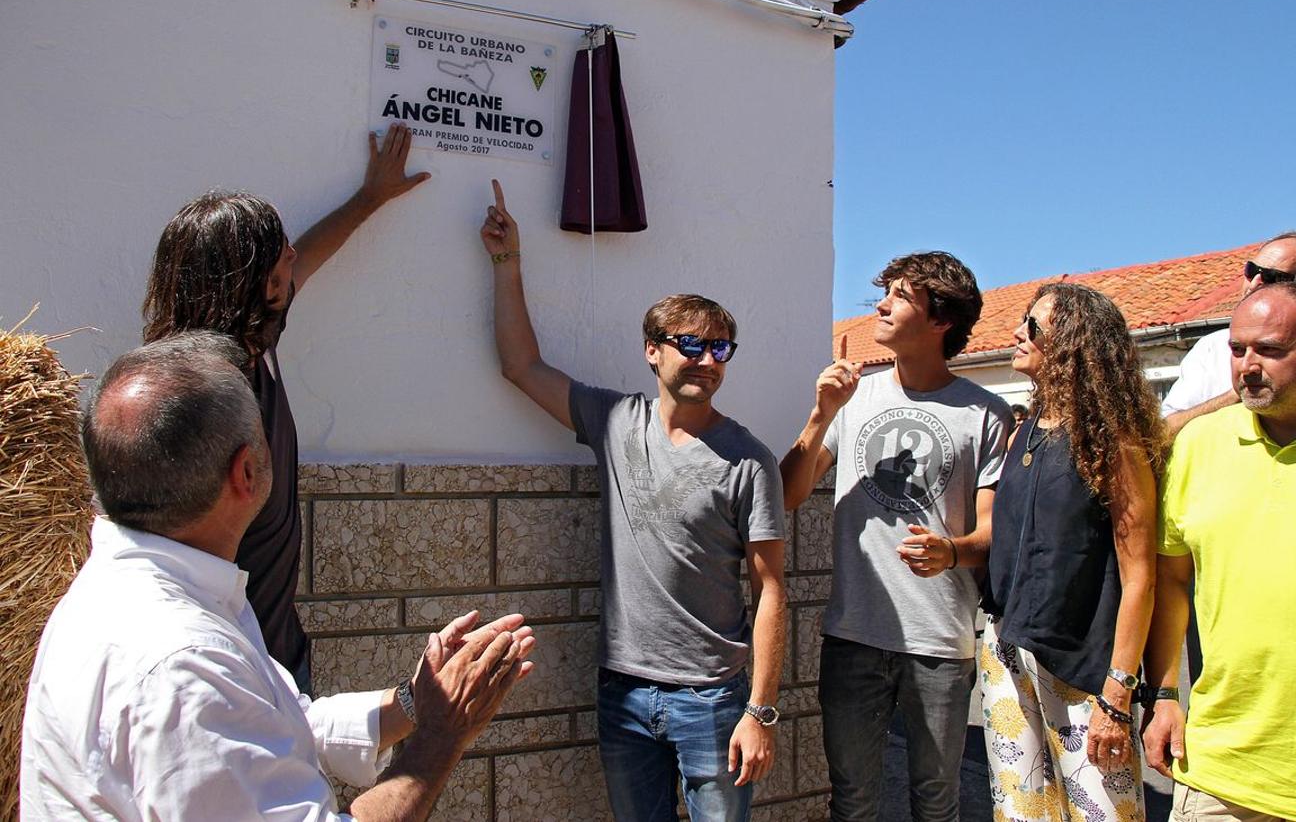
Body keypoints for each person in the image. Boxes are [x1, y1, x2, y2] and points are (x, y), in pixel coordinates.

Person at [21, 332, 534, 820]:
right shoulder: (181, 661)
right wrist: (438, 740)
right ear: (246, 472)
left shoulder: (152, 593)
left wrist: (416, 701)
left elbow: (273, 726)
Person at [480, 180, 787, 821]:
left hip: (713, 700)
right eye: (692, 345)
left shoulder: (749, 460)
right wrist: (508, 265)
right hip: (623, 690)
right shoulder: (615, 421)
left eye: (720, 348)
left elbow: (772, 593)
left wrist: (760, 710)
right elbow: (521, 366)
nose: (707, 360)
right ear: (653, 352)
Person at [140, 121, 430, 693]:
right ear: (249, 281)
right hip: (220, 671)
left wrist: (371, 197)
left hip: (276, 653)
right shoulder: (199, 398)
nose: (292, 255)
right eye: (278, 253)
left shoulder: (256, 340)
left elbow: (308, 255)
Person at [779, 252, 1012, 822]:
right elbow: (787, 495)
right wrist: (819, 415)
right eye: (886, 293)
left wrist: (950, 551)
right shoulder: (854, 396)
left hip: (939, 641)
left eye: (901, 297)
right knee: (852, 800)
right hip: (853, 633)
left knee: (936, 802)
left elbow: (991, 535)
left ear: (940, 322)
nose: (880, 305)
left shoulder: (986, 413)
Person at [1144, 283, 1296, 821]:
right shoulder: (1197, 444)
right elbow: (1171, 578)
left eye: (1271, 350)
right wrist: (1165, 695)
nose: (1248, 367)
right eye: (1238, 349)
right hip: (1221, 763)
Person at [978, 283, 1166, 818]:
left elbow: (1141, 579)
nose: (1018, 333)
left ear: (1073, 343)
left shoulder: (1116, 442)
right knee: (1021, 811)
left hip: (1085, 671)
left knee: (1102, 811)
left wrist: (1118, 694)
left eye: (1033, 325)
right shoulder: (1026, 431)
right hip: (1007, 649)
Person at [1162, 229, 1296, 437]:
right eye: (1251, 271)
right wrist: (1237, 394)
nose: (1254, 283)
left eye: (1272, 277)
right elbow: (1166, 431)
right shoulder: (1211, 348)